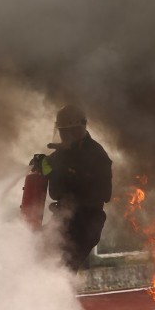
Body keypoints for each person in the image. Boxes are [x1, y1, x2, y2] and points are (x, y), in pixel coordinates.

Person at [41, 104, 112, 271]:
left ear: (78, 129)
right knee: (35, 256)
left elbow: (104, 194)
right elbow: (51, 174)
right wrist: (42, 164)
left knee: (61, 273)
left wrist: (67, 172)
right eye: (62, 131)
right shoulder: (62, 153)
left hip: (85, 225)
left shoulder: (96, 155)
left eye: (68, 131)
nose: (64, 136)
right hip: (61, 219)